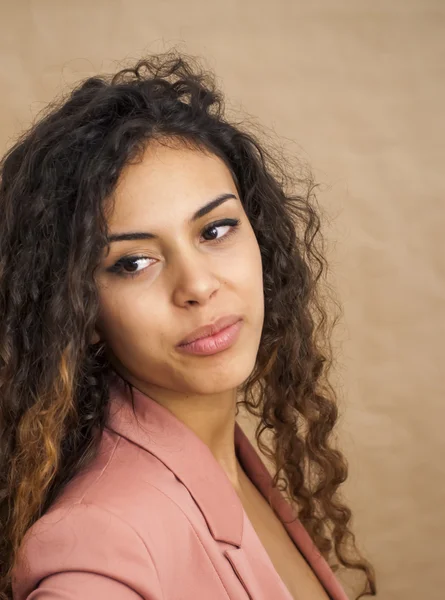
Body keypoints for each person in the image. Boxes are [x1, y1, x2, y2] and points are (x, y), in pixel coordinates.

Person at [0, 50, 376, 600]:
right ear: (81, 314)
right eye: (132, 263)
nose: (197, 285)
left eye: (216, 230)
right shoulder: (97, 543)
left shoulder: (230, 463)